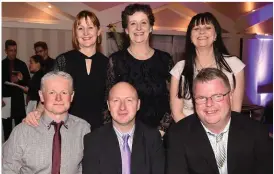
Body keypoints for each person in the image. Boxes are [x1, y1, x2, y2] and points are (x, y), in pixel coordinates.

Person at [165, 68, 273, 174]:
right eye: (201, 98)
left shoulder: (256, 131)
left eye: (217, 96)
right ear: (194, 101)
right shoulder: (178, 133)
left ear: (230, 96)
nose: (209, 104)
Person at [2, 71, 90, 174]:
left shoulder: (83, 129)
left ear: (71, 96)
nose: (58, 98)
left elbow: (84, 169)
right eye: (52, 92)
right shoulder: (22, 132)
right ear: (41, 96)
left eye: (64, 93)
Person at [25, 10, 109, 131]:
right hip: (68, 130)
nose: (86, 33)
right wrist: (37, 112)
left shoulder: (108, 63)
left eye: (90, 27)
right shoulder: (64, 60)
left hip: (100, 131)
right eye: (80, 28)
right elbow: (49, 90)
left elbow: (112, 100)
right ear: (75, 32)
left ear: (99, 31)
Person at [82, 82, 165, 174]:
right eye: (116, 100)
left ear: (138, 104)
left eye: (129, 100)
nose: (122, 107)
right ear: (108, 105)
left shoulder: (152, 138)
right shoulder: (93, 140)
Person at [106, 4, 174, 133]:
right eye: (133, 24)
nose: (138, 28)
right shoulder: (116, 61)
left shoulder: (165, 60)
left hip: (161, 136)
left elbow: (174, 100)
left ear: (151, 27)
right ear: (126, 29)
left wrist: (161, 131)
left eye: (143, 23)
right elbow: (108, 102)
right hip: (125, 135)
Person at [170, 12, 245, 122]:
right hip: (188, 132)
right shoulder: (180, 68)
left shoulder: (234, 65)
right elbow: (176, 112)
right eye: (196, 28)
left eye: (207, 27)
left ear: (215, 35)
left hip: (224, 131)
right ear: (190, 37)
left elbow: (235, 110)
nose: (201, 32)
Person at [2, 39, 30, 141]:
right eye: (11, 50)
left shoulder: (21, 64)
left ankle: (20, 152)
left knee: (20, 127)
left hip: (18, 99)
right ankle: (6, 153)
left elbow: (28, 82)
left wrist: (21, 79)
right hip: (4, 100)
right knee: (7, 128)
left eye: (15, 50)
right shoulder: (2, 64)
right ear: (6, 51)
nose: (13, 53)